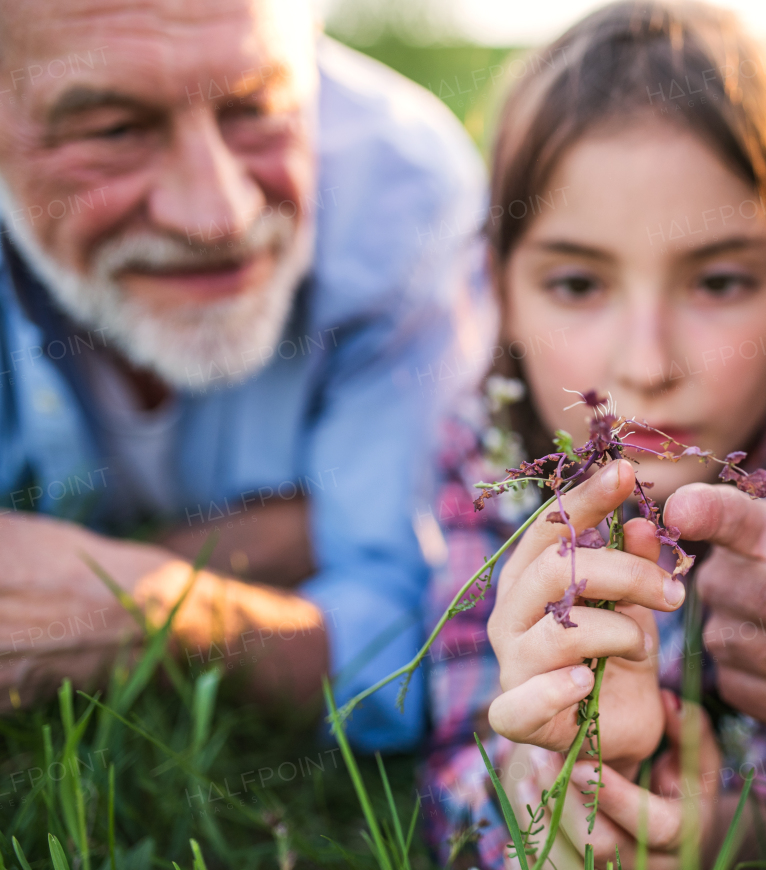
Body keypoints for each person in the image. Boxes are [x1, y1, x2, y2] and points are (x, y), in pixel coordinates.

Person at [416, 3, 766, 870]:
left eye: (719, 281)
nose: (648, 364)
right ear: (499, 287)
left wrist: (736, 829)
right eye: (579, 283)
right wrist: (540, 799)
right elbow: (459, 746)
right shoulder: (490, 457)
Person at [0, 0, 488, 750]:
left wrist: (155, 609)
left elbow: (420, 631)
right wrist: (281, 541)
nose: (219, 216)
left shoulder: (401, 192)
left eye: (256, 107)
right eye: (114, 131)